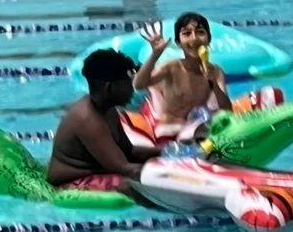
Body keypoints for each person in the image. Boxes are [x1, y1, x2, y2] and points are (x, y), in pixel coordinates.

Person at [48, 49, 161, 193]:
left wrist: (169, 152)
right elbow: (123, 167)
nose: (132, 90)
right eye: (128, 83)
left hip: (100, 171)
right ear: (110, 87)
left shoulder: (108, 109)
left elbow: (129, 151)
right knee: (131, 187)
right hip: (69, 183)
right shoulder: (88, 119)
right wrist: (171, 173)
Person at [133, 12, 232, 136]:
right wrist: (155, 55)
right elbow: (138, 85)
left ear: (209, 39)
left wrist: (214, 84)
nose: (194, 38)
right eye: (186, 33)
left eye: (200, 32)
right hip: (168, 133)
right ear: (178, 42)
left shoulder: (216, 71)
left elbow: (227, 111)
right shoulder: (170, 68)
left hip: (194, 132)